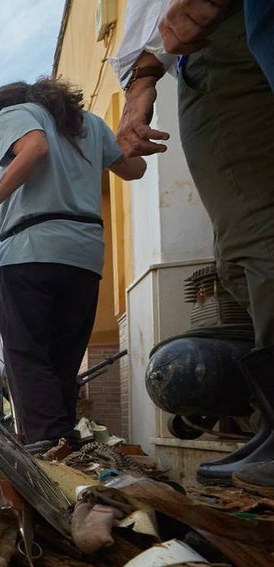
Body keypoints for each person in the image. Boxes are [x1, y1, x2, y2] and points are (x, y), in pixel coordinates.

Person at [114, 0, 274, 493]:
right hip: (209, 39)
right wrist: (142, 80)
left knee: (255, 233)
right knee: (239, 253)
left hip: (224, 31)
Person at [0, 78, 146, 451]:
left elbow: (36, 147)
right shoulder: (89, 123)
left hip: (30, 247)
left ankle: (47, 444)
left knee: (26, 352)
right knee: (63, 359)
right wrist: (130, 130)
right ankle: (64, 444)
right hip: (84, 255)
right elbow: (134, 168)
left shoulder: (12, 113)